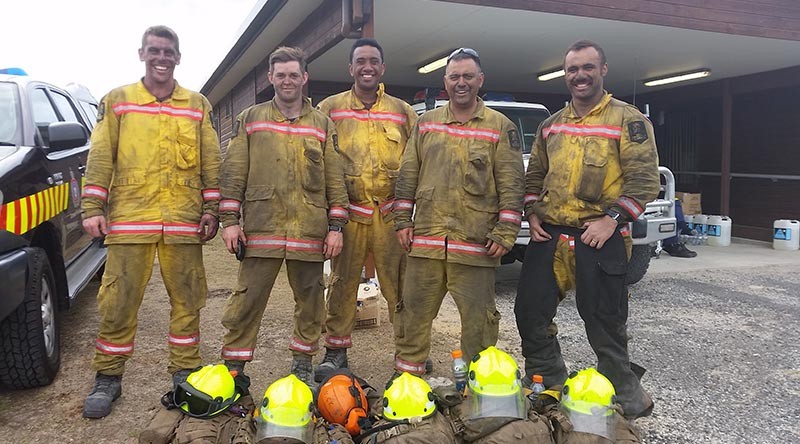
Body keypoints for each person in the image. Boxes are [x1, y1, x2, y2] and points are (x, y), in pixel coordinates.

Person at [80, 25, 221, 418]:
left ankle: (185, 371)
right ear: (142, 53)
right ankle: (108, 376)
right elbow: (101, 157)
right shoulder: (119, 101)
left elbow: (211, 161)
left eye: (169, 51)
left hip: (183, 222)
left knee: (188, 300)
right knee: (118, 301)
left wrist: (212, 209)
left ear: (178, 57)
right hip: (129, 220)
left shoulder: (197, 104)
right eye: (155, 50)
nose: (162, 57)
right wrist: (93, 208)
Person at [515, 40, 658, 420]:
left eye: (587, 67)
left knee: (604, 321)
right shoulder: (551, 125)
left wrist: (612, 219)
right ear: (566, 74)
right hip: (550, 236)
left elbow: (644, 182)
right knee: (530, 312)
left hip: (600, 237)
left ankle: (625, 394)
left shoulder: (627, 121)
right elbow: (534, 176)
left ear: (603, 70)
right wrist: (531, 213)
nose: (579, 75)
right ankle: (547, 383)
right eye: (573, 69)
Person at [217, 47, 349, 387]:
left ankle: (303, 361)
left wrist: (336, 227)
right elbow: (233, 174)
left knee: (309, 301)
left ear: (304, 78)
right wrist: (230, 221)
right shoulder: (251, 118)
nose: (287, 81)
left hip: (309, 231)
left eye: (294, 74)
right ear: (270, 78)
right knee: (247, 299)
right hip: (262, 230)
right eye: (281, 75)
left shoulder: (322, 124)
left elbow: (335, 180)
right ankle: (234, 366)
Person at [392, 48, 524, 375]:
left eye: (468, 76)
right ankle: (408, 378)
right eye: (454, 77)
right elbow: (408, 174)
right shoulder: (426, 124)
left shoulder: (500, 127)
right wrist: (401, 221)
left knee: (479, 325)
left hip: (475, 246)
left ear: (480, 80)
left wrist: (506, 231)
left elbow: (511, 184)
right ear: (445, 81)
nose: (461, 82)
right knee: (413, 315)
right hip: (426, 243)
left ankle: (477, 387)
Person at [315, 39, 418, 381]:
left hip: (390, 215)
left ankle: (408, 350)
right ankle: (336, 352)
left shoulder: (403, 112)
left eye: (374, 60)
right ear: (351, 68)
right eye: (361, 61)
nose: (367, 66)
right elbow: (316, 160)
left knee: (399, 285)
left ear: (383, 68)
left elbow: (418, 161)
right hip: (348, 214)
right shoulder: (329, 108)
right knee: (343, 283)